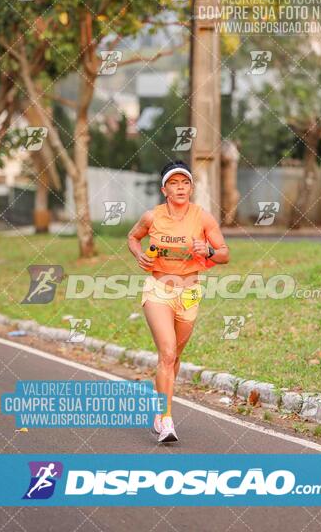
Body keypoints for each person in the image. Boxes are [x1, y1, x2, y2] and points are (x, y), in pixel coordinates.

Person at [127, 160, 229, 442]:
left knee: (174, 358)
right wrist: (139, 255)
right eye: (174, 183)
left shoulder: (203, 217)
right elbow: (133, 237)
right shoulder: (152, 217)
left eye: (185, 183)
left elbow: (224, 253)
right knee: (168, 353)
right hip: (158, 290)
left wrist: (207, 250)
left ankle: (160, 412)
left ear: (191, 188)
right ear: (165, 189)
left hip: (190, 291)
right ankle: (166, 419)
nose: (180, 187)